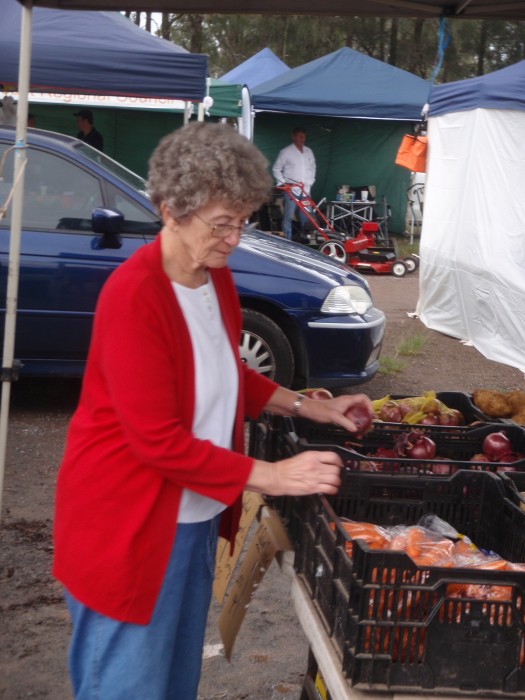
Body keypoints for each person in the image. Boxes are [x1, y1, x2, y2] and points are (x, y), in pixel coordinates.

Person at [52, 121, 372, 700]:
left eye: (243, 221)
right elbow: (157, 441)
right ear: (171, 211)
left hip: (191, 519)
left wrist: (308, 408)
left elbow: (228, 375)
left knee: (173, 681)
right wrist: (274, 476)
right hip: (127, 527)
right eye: (222, 224)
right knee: (126, 686)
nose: (234, 238)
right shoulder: (133, 296)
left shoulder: (214, 280)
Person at [272, 126, 316, 240]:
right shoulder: (286, 152)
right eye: (300, 136)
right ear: (294, 137)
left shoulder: (308, 151)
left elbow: (312, 168)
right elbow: (276, 169)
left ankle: (306, 239)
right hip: (291, 190)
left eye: (304, 137)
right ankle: (288, 240)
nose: (302, 139)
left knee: (306, 216)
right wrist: (283, 183)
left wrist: (310, 182)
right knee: (288, 217)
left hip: (305, 189)